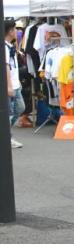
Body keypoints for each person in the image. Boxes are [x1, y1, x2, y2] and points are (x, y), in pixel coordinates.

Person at [5, 21, 24, 149]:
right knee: (11, 112)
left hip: (15, 84)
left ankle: (6, 135)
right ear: (10, 31)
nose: (16, 32)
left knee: (20, 108)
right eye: (14, 29)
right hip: (11, 85)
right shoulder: (4, 47)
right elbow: (6, 66)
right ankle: (7, 137)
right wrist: (9, 86)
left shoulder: (10, 46)